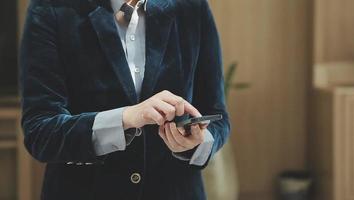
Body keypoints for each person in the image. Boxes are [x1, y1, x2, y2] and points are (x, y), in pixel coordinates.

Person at [19, 0, 230, 199]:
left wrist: (197, 144)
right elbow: (40, 132)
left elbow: (217, 117)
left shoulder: (192, 6)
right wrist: (126, 117)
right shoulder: (50, 9)